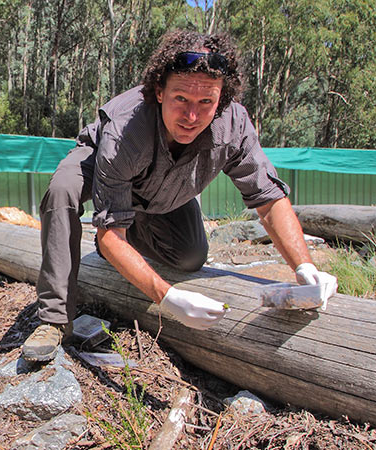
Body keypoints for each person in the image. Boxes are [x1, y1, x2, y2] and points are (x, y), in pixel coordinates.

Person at [21, 30, 337, 362]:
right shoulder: (125, 130)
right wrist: (167, 297)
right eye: (181, 99)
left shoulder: (234, 127)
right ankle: (54, 320)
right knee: (62, 191)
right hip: (103, 167)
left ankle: (122, 246)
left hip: (166, 190)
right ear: (159, 92)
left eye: (206, 103)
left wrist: (304, 267)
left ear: (222, 99)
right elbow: (111, 233)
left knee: (190, 257)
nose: (191, 117)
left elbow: (270, 200)